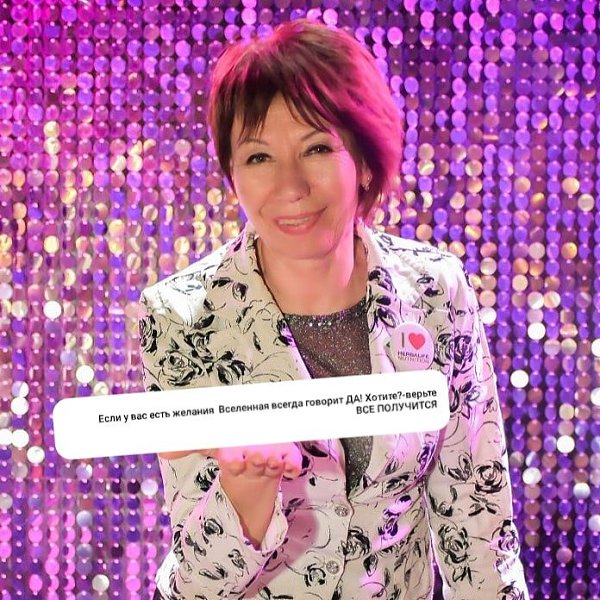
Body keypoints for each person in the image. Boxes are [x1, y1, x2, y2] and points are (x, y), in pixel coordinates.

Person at [139, 19, 530, 600]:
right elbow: (195, 588)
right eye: (258, 157)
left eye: (317, 148)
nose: (290, 186)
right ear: (232, 176)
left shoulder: (435, 291)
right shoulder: (181, 317)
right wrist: (243, 498)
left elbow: (479, 530)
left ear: (365, 161)